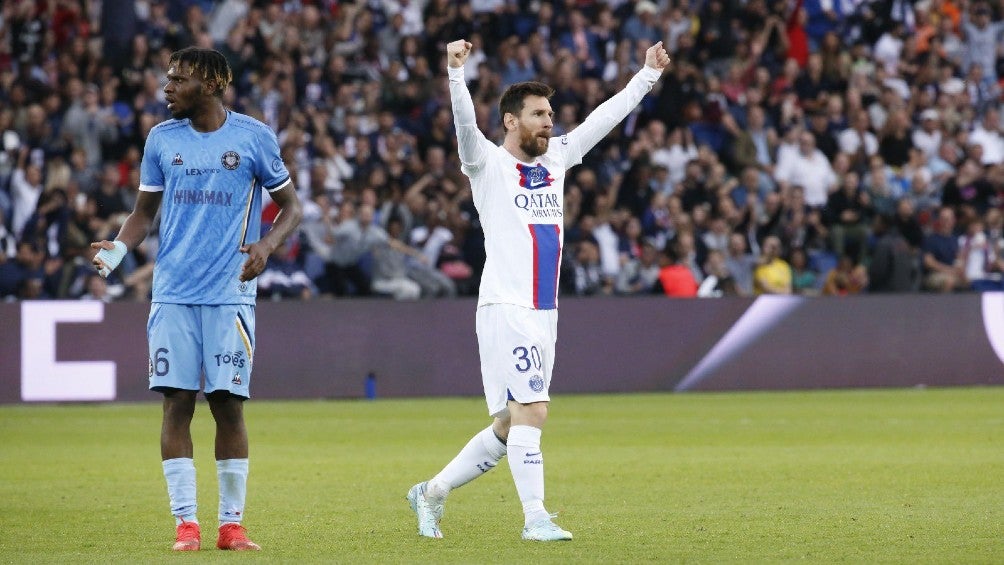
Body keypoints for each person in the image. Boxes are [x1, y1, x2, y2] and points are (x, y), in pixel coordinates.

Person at [407, 39, 670, 542]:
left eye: (551, 113)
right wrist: (455, 74)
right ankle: (536, 518)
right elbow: (464, 127)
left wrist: (646, 76)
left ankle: (432, 491)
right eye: (538, 114)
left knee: (511, 425)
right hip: (506, 305)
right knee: (534, 411)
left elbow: (604, 118)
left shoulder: (557, 160)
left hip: (544, 310)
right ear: (510, 121)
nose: (550, 121)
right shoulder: (486, 164)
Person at [90, 47, 302, 552]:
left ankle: (232, 525)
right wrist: (120, 247)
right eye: (167, 78)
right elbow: (144, 213)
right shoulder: (162, 139)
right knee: (176, 404)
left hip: (231, 294)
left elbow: (291, 207)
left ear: (208, 84)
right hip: (173, 294)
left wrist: (268, 245)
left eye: (177, 79)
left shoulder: (253, 137)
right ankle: (186, 523)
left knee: (228, 407)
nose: (166, 88)